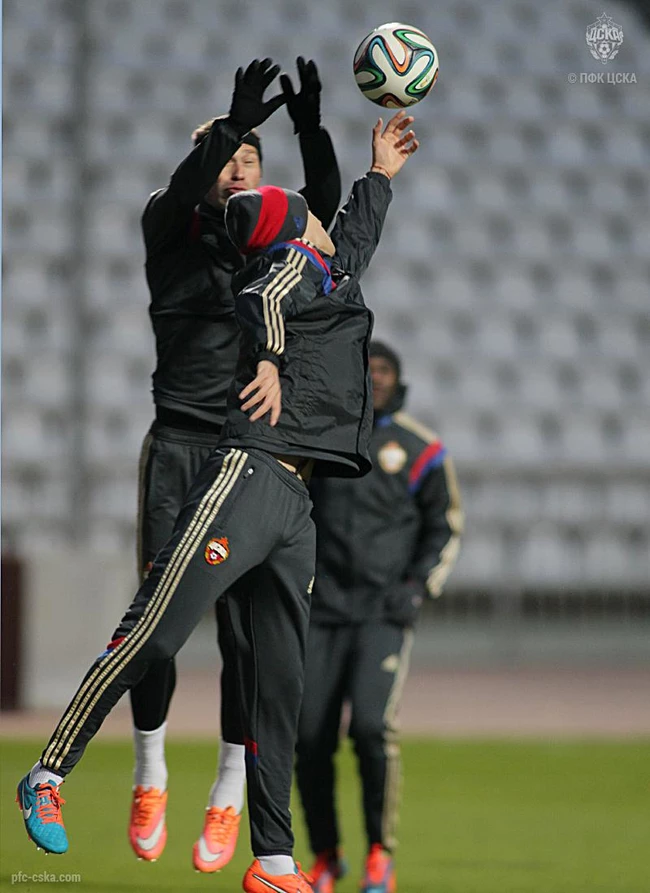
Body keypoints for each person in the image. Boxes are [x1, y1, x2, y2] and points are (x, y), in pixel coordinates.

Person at [16, 110, 420, 893]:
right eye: (306, 211)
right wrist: (266, 359)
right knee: (156, 630)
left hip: (296, 501)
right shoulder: (288, 269)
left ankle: (273, 862)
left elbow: (356, 236)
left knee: (280, 684)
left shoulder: (330, 271)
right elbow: (259, 300)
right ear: (294, 231)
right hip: (247, 472)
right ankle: (49, 772)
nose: (320, 214)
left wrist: (380, 174)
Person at [132, 57, 341, 869]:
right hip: (178, 445)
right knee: (155, 627)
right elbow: (192, 183)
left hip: (245, 450)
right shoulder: (168, 221)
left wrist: (310, 125)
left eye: (250, 158)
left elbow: (323, 202)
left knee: (244, 639)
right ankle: (150, 771)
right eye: (226, 156)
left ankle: (226, 793)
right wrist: (231, 123)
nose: (239, 167)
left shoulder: (266, 240)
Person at [296, 341, 464, 893]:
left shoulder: (420, 448)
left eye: (385, 369)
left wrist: (417, 588)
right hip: (321, 611)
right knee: (309, 736)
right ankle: (326, 855)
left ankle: (379, 854)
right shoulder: (321, 438)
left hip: (382, 614)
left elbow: (445, 526)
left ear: (399, 378)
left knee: (370, 727)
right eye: (367, 367)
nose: (376, 376)